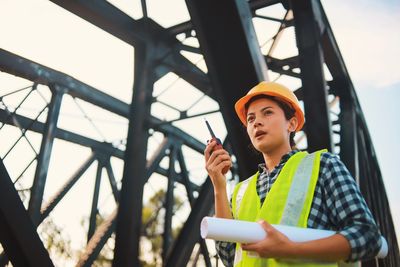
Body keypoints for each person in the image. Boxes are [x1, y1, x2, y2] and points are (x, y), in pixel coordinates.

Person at [204, 81, 382, 266]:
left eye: (268, 112)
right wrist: (219, 185)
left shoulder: (323, 166)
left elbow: (368, 236)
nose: (256, 122)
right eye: (250, 119)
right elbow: (229, 257)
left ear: (292, 123)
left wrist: (290, 250)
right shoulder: (241, 191)